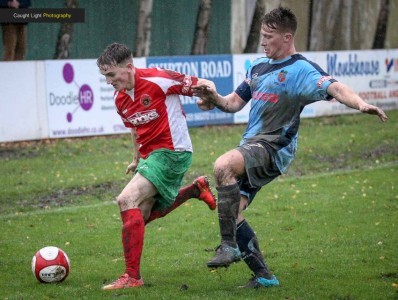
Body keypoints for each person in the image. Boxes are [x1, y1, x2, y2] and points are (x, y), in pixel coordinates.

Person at [192, 6, 388, 289]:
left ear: (287, 37)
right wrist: (213, 96)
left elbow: (336, 87)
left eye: (269, 36)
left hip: (274, 148)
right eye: (261, 35)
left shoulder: (301, 70)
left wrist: (360, 104)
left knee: (223, 165)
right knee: (233, 210)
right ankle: (264, 276)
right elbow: (233, 103)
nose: (263, 41)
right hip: (252, 146)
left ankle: (228, 245)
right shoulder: (258, 66)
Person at [97, 42, 217, 290]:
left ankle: (132, 277)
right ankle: (195, 190)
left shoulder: (158, 79)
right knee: (141, 215)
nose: (108, 81)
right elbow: (134, 129)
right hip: (152, 157)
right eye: (105, 76)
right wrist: (136, 159)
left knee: (125, 200)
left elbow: (205, 84)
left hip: (173, 152)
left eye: (111, 74)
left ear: (128, 68)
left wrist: (210, 101)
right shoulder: (120, 99)